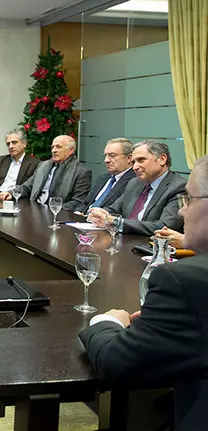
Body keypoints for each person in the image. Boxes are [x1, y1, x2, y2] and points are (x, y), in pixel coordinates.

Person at [79, 155, 208, 430]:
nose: (183, 212)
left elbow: (116, 364)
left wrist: (108, 322)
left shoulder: (185, 281)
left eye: (189, 200)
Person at [87, 141, 186, 236]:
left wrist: (116, 222)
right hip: (123, 242)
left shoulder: (178, 186)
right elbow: (113, 209)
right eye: (134, 162)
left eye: (141, 160)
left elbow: (165, 227)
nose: (135, 167)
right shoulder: (135, 183)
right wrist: (100, 214)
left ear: (162, 159)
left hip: (150, 246)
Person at [0, 135, 91, 212]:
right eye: (52, 147)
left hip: (56, 214)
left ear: (70, 151)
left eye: (58, 147)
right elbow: (27, 186)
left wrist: (51, 209)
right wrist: (10, 193)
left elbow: (78, 202)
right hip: (34, 209)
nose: (54, 150)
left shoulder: (81, 172)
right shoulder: (43, 165)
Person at [77, 138, 136, 213]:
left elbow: (121, 211)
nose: (106, 160)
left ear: (129, 158)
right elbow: (86, 202)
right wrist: (78, 212)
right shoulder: (103, 178)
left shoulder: (135, 181)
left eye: (112, 155)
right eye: (106, 156)